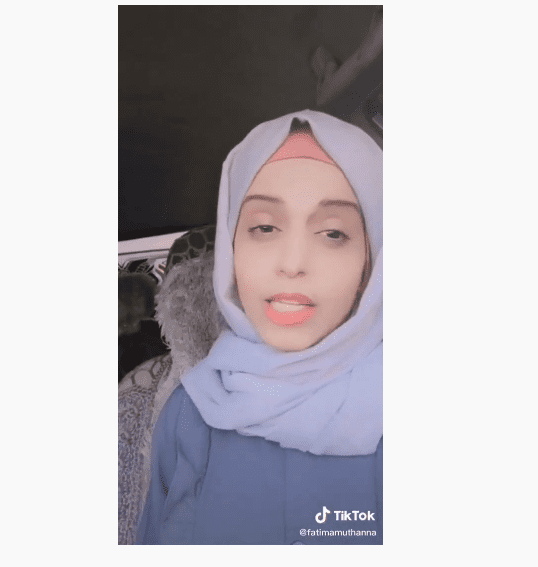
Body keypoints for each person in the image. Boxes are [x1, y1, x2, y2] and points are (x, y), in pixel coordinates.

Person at [135, 110, 382, 544]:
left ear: (371, 262)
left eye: (333, 234)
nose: (292, 264)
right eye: (264, 227)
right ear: (231, 252)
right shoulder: (188, 412)